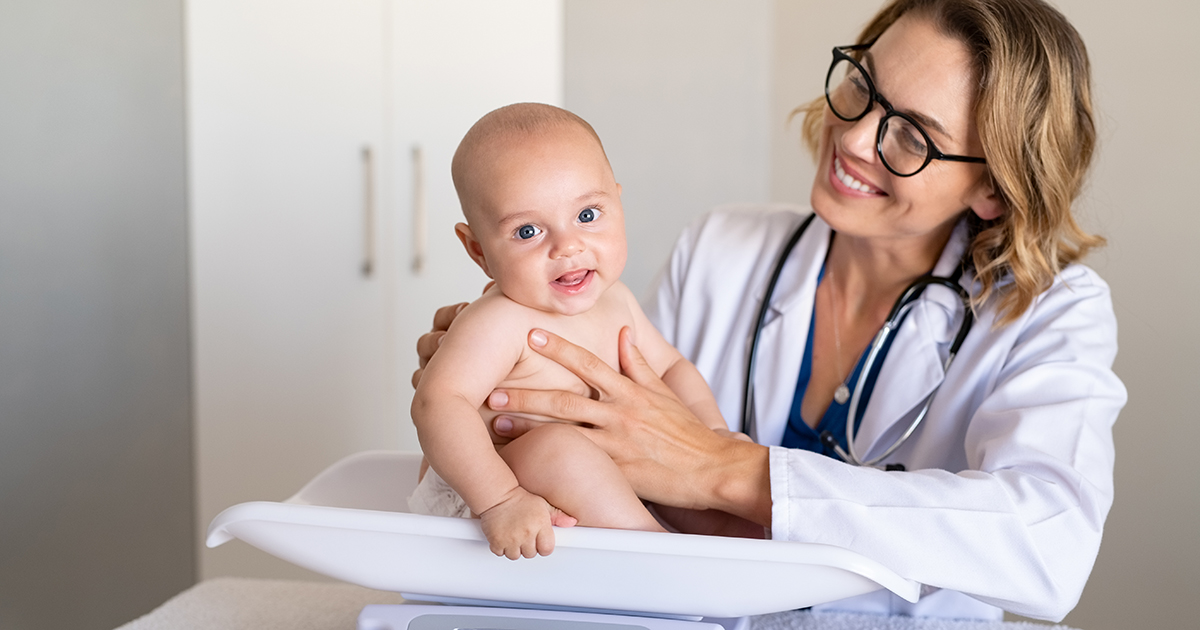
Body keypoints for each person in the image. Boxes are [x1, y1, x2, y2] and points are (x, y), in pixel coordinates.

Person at [415, 0, 1127, 621]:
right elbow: (614, 443)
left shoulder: (1050, 312)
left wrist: (726, 468)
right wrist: (504, 391)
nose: (851, 137)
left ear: (995, 190)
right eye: (862, 87)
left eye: (911, 134)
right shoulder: (722, 249)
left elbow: (1049, 544)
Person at [409, 103, 738, 561]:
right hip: (490, 496)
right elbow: (436, 403)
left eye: (587, 215)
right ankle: (660, 555)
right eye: (527, 230)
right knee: (559, 448)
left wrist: (714, 435)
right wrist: (500, 499)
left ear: (618, 203)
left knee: (689, 483)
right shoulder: (499, 320)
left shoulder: (617, 300)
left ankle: (738, 541)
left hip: (597, 490)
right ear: (478, 250)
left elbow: (672, 368)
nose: (567, 246)